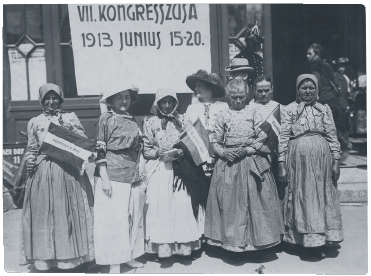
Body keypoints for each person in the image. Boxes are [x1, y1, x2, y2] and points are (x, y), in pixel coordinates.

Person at [205, 79, 283, 263]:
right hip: (229, 164)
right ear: (228, 96)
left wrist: (249, 149)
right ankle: (233, 244)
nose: (238, 101)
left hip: (250, 161)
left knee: (253, 203)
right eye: (234, 97)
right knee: (232, 205)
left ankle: (255, 244)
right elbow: (215, 140)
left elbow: (264, 136)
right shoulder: (223, 114)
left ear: (247, 95)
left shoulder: (253, 111)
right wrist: (224, 152)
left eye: (241, 97)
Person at [20, 83, 95, 271]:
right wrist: (30, 160)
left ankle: (72, 258)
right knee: (46, 216)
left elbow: (82, 142)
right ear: (42, 100)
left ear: (61, 99)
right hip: (44, 173)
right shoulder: (34, 121)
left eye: (55, 98)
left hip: (69, 171)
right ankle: (46, 259)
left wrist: (68, 128)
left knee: (69, 213)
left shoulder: (70, 118)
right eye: (47, 98)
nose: (51, 102)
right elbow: (32, 148)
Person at [277, 74, 343, 260]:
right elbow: (283, 137)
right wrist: (281, 163)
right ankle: (299, 240)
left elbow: (332, 136)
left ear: (317, 90)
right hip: (298, 159)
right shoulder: (289, 109)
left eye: (311, 88)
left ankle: (321, 238)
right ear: (297, 90)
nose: (307, 91)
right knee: (301, 196)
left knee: (320, 196)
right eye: (303, 88)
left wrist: (336, 161)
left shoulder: (324, 110)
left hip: (322, 159)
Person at [143, 87, 208, 260]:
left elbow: (194, 142)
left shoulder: (184, 119)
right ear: (157, 104)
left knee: (182, 205)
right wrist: (157, 153)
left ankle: (185, 246)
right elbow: (145, 148)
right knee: (162, 206)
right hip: (161, 169)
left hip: (182, 169)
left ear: (175, 102)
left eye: (170, 101)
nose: (166, 105)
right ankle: (164, 247)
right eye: (163, 102)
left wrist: (182, 152)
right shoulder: (150, 122)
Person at [94, 86, 146, 273]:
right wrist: (105, 178)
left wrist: (140, 169)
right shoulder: (105, 119)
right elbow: (100, 149)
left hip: (132, 175)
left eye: (127, 97)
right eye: (119, 98)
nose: (124, 101)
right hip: (112, 175)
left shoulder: (132, 119)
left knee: (132, 217)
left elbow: (139, 147)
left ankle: (130, 256)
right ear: (111, 101)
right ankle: (114, 262)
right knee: (113, 220)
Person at [185, 70, 229, 177]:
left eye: (199, 85)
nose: (196, 89)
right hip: (198, 155)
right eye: (195, 86)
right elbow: (187, 132)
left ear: (210, 87)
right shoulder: (191, 108)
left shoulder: (223, 106)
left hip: (219, 154)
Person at [248, 75, 284, 198]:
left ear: (272, 89)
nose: (263, 94)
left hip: (275, 156)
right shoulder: (249, 108)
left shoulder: (279, 108)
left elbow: (283, 136)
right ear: (254, 90)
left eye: (266, 90)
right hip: (256, 156)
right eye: (260, 91)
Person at [306, 43, 340, 123]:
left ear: (317, 54)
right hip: (334, 101)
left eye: (310, 54)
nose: (307, 56)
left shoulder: (314, 66)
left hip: (324, 102)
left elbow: (316, 84)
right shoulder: (327, 65)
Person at [333, 57, 352, 162]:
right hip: (337, 108)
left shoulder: (346, 78)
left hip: (345, 108)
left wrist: (348, 106)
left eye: (343, 66)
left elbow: (348, 94)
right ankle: (343, 146)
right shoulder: (335, 77)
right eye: (339, 66)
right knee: (336, 130)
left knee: (345, 129)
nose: (341, 68)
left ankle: (344, 150)